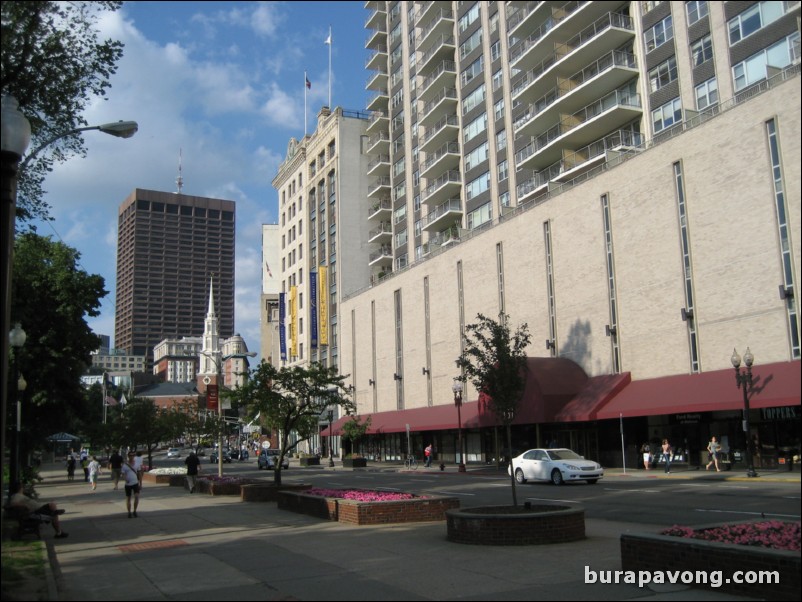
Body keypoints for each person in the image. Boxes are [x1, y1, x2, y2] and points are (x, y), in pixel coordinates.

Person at [121, 452, 141, 518]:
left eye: (133, 455)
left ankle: (135, 511)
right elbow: (123, 474)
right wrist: (125, 479)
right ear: (128, 456)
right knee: (128, 498)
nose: (131, 456)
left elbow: (139, 473)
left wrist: (140, 483)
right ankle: (129, 512)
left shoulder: (137, 464)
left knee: (137, 497)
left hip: (135, 483)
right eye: (130, 455)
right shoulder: (125, 465)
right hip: (128, 484)